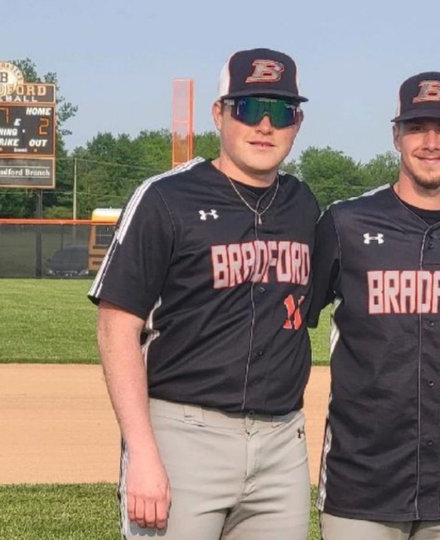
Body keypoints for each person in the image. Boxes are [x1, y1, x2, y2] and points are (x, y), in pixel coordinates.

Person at [88, 47, 319, 539]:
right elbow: (115, 328)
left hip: (282, 443)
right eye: (248, 108)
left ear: (297, 123)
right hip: (182, 435)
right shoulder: (166, 197)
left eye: (280, 112)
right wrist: (142, 451)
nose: (264, 126)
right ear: (219, 113)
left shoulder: (303, 205)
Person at [307, 71, 440, 540]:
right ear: (396, 135)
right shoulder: (346, 222)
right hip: (361, 478)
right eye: (417, 127)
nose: (431, 143)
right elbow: (293, 317)